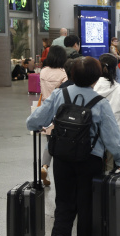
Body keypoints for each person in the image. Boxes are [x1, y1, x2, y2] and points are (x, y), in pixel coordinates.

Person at [27, 56, 120, 236]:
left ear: (71, 75)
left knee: (63, 201)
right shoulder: (100, 103)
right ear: (96, 77)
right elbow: (112, 138)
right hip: (90, 159)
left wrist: (37, 125)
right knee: (87, 204)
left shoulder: (59, 94)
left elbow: (34, 121)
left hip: (62, 157)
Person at [38, 46, 68, 186]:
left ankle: (45, 167)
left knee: (50, 140)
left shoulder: (43, 71)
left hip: (45, 109)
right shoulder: (63, 73)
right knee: (57, 141)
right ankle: (49, 168)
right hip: (59, 111)